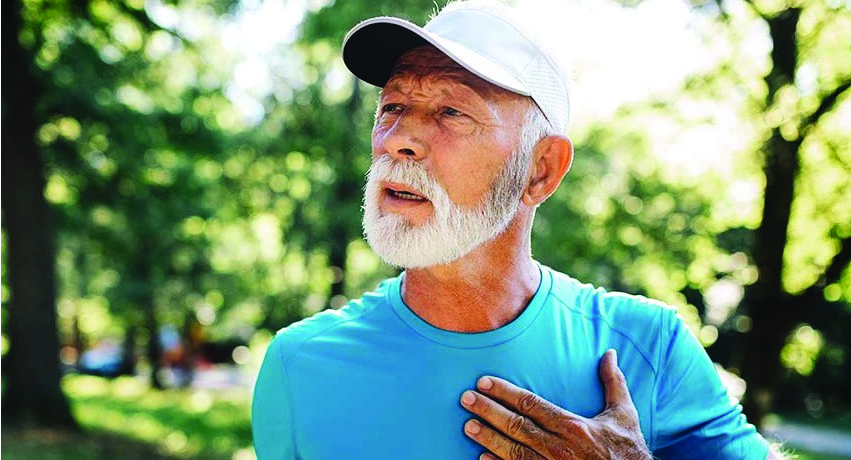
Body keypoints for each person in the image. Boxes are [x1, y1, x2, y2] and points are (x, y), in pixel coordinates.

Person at [252, 1, 784, 458]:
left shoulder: (649, 347)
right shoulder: (299, 366)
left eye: (451, 111)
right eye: (392, 105)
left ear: (540, 169)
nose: (398, 139)